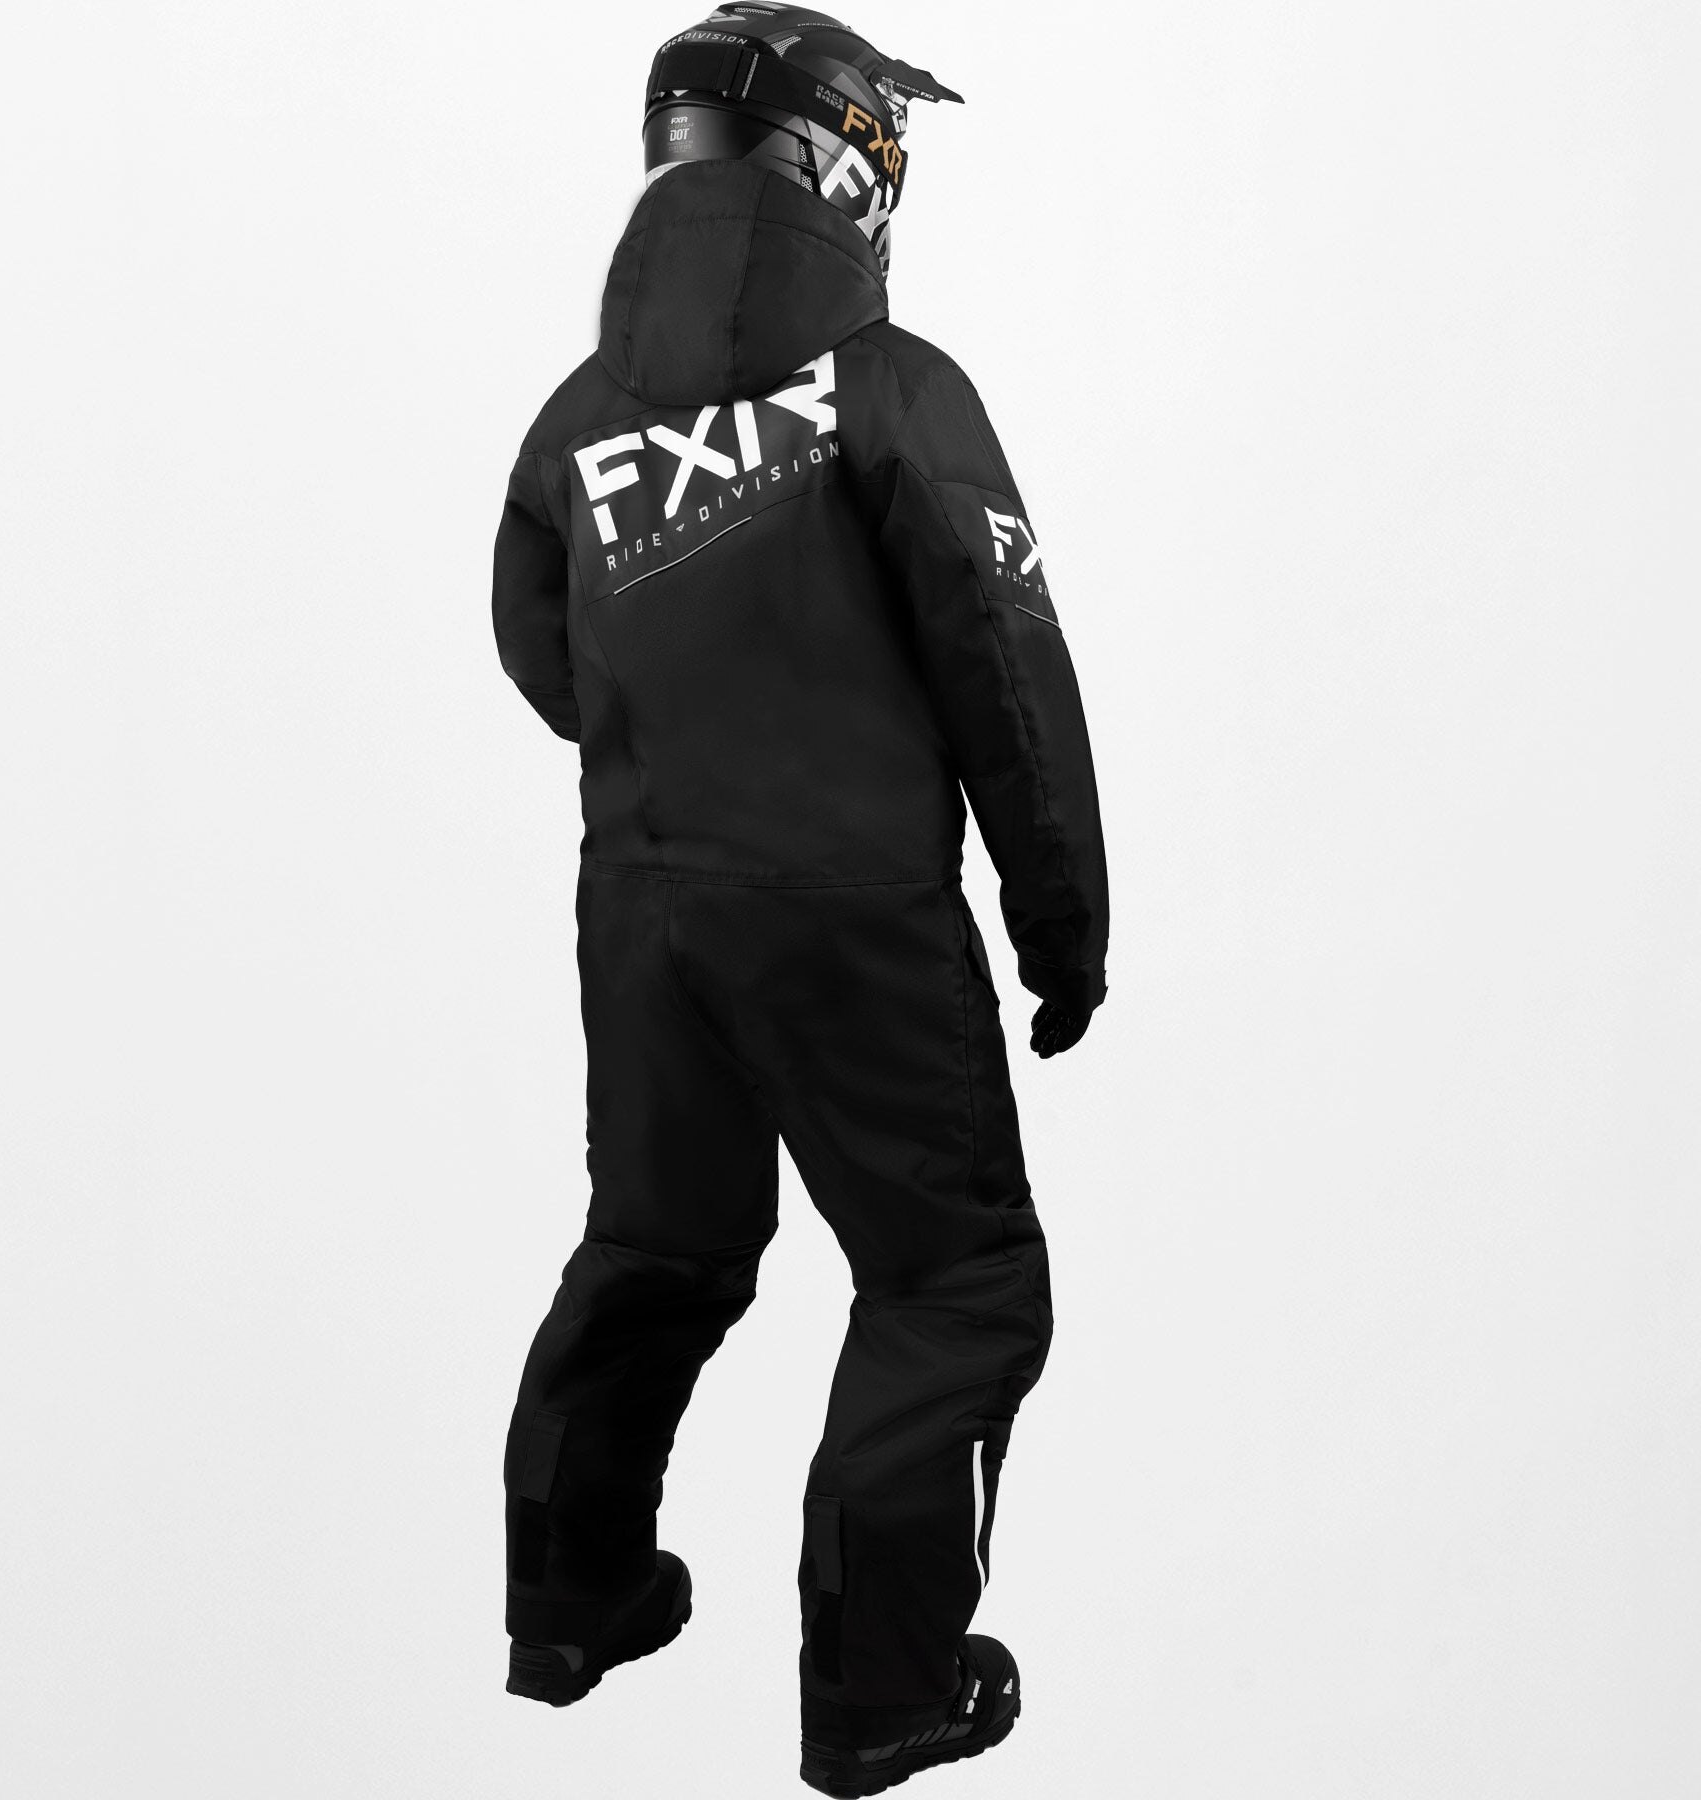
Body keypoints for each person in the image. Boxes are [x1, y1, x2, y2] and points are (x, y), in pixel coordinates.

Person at [490, 7, 1108, 1792]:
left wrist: (690, 749)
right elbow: (1004, 667)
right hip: (853, 916)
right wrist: (1061, 922)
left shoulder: (577, 417)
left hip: (646, 910)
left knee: (658, 1246)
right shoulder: (894, 391)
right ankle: (881, 1695)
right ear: (844, 166)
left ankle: (571, 1603)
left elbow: (538, 646)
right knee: (955, 1280)